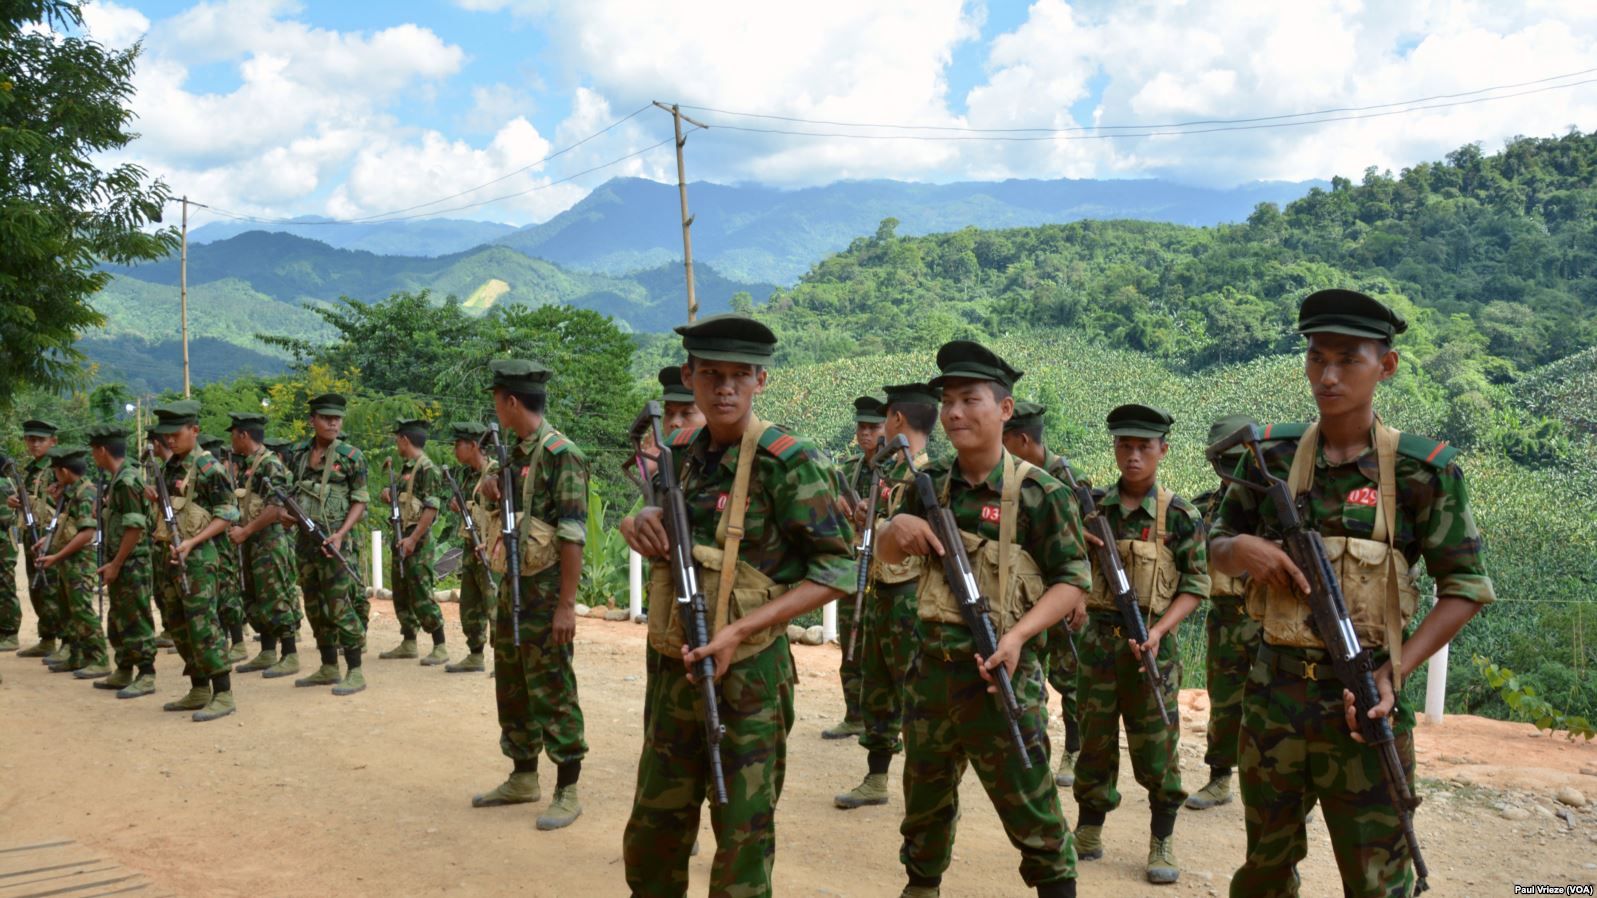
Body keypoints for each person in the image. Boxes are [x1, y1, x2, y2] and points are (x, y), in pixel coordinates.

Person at [1211, 289, 1495, 898]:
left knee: (1376, 879)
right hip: (1273, 694)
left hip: (1363, 700)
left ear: (1385, 366)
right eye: (1317, 358)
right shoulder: (1270, 455)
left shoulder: (1424, 471)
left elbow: (1465, 588)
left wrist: (1397, 670)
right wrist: (1242, 552)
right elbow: (1208, 543)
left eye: (1348, 360)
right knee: (1264, 867)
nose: (1328, 375)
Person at [620, 314, 856, 897]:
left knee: (742, 837)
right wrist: (637, 520)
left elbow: (838, 571)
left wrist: (740, 629)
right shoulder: (677, 453)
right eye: (711, 375)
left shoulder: (789, 462)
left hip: (748, 674)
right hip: (676, 666)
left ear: (760, 381)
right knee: (655, 829)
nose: (724, 388)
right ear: (689, 377)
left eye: (739, 376)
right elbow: (659, 527)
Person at [877, 340, 1090, 898]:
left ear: (1005, 409)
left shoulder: (1043, 494)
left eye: (970, 400)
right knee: (924, 803)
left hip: (1001, 678)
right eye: (947, 401)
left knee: (1031, 808)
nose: (953, 413)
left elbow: (1073, 581)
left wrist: (1019, 635)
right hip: (931, 676)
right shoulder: (927, 486)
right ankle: (920, 886)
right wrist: (891, 531)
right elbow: (884, 553)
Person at [1070, 404, 1209, 884]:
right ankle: (1088, 831)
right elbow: (1068, 567)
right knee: (1094, 741)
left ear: (1162, 451)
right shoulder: (1093, 510)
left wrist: (1158, 630)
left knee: (1157, 748)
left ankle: (1161, 839)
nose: (1133, 457)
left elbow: (1196, 584)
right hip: (1097, 646)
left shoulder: (1180, 515)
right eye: (1124, 446)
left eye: (1143, 448)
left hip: (1151, 647)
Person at [470, 360, 589, 832]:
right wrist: (496, 492)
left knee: (553, 686)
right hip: (513, 588)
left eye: (498, 400)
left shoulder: (562, 454)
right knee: (513, 683)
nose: (497, 408)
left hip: (544, 592)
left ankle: (568, 786)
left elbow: (573, 534)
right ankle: (522, 775)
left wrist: (566, 606)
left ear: (511, 402)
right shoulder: (514, 454)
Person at [835, 381, 939, 811]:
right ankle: (876, 777)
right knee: (877, 686)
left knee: (913, 691)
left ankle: (925, 785)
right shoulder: (885, 472)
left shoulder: (930, 478)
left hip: (911, 597)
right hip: (877, 590)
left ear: (896, 419)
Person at [1001, 400, 1090, 788]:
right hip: (1028, 596)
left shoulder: (1067, 480)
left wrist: (1080, 598)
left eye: (1005, 441)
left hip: (1065, 596)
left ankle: (1074, 748)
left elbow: (1091, 549)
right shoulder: (1011, 479)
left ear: (1022, 439)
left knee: (1070, 677)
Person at [1184, 414, 1261, 811]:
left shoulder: (1277, 503)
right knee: (1226, 701)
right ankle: (1219, 778)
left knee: (1274, 706)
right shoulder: (1203, 508)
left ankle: (1282, 791)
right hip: (1226, 616)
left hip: (1270, 620)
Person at [149, 400, 241, 722]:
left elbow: (228, 513)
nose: (170, 441)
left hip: (200, 557)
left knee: (203, 624)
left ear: (195, 430)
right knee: (178, 624)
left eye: (176, 434)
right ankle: (199, 687)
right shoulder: (171, 466)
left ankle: (223, 692)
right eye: (166, 436)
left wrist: (193, 542)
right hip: (172, 554)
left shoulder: (208, 467)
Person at [282, 393, 369, 696]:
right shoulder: (297, 453)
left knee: (339, 605)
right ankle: (328, 665)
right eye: (326, 417)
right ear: (312, 420)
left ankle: (355, 669)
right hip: (306, 543)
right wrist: (285, 516)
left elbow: (360, 500)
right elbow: (288, 492)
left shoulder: (351, 457)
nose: (333, 422)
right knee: (314, 605)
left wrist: (342, 533)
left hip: (335, 543)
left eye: (337, 418)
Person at [822, 394, 888, 741]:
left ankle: (890, 723)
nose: (865, 433)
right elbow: (831, 506)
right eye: (861, 427)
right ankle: (854, 714)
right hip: (854, 563)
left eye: (873, 427)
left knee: (885, 649)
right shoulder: (850, 469)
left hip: (887, 569)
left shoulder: (897, 471)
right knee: (851, 638)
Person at [227, 412, 304, 679]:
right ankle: (268, 650)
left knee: (275, 595)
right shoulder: (252, 464)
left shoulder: (270, 464)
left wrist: (245, 531)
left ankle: (290, 654)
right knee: (257, 596)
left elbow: (275, 507)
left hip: (268, 541)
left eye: (233, 434)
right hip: (252, 541)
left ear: (243, 435)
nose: (232, 440)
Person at [88, 424, 158, 698]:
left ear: (103, 451)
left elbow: (135, 527)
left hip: (133, 562)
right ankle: (124, 667)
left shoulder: (127, 481)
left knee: (136, 617)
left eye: (95, 451)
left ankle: (147, 673)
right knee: (119, 617)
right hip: (121, 560)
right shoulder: (118, 479)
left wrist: (116, 563)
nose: (94, 457)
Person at [378, 418, 450, 666]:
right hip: (401, 537)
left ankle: (439, 644)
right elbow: (405, 500)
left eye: (397, 438)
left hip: (417, 541)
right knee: (401, 590)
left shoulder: (427, 468)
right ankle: (409, 641)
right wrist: (389, 495)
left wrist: (413, 539)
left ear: (405, 440)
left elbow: (431, 508)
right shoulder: (405, 469)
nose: (396, 444)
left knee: (421, 591)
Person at [36, 445, 111, 678]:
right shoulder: (73, 493)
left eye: (57, 472)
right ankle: (77, 656)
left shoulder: (86, 494)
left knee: (82, 611)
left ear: (65, 472)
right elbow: (69, 526)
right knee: (69, 612)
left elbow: (87, 533)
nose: (55, 478)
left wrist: (56, 556)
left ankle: (100, 659)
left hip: (80, 561)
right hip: (69, 561)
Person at [444, 420, 497, 673]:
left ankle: (504, 659)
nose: (455, 449)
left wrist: (493, 543)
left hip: (491, 548)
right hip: (470, 545)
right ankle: (475, 654)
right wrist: (456, 505)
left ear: (474, 445)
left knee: (495, 603)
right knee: (470, 603)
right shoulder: (467, 476)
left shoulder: (495, 473)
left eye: (459, 444)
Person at [12, 419, 61, 658]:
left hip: (50, 535)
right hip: (32, 532)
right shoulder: (33, 469)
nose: (34, 444)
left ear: (53, 441)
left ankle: (67, 639)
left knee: (52, 587)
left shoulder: (57, 468)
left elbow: (63, 502)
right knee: (37, 587)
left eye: (40, 440)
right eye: (30, 439)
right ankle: (47, 637)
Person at [201, 432, 249, 663]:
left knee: (228, 593)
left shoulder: (217, 476)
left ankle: (238, 642)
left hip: (221, 542)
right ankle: (224, 639)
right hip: (209, 542)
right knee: (218, 596)